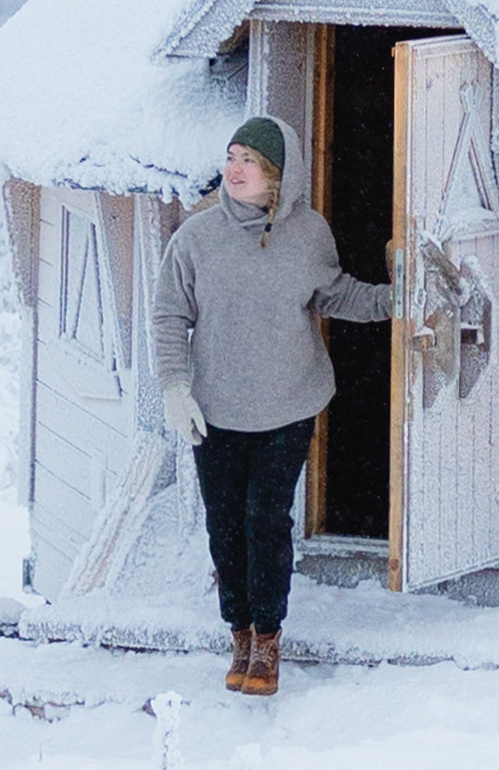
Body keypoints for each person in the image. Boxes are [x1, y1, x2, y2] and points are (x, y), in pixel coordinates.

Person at [152, 115, 392, 696]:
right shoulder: (195, 240)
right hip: (214, 411)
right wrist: (174, 389)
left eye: (250, 161)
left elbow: (334, 293)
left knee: (265, 521)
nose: (234, 169)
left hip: (287, 405)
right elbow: (168, 317)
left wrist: (398, 298)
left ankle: (267, 641)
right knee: (224, 528)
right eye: (231, 156)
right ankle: (238, 632)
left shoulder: (308, 234)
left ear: (278, 176)